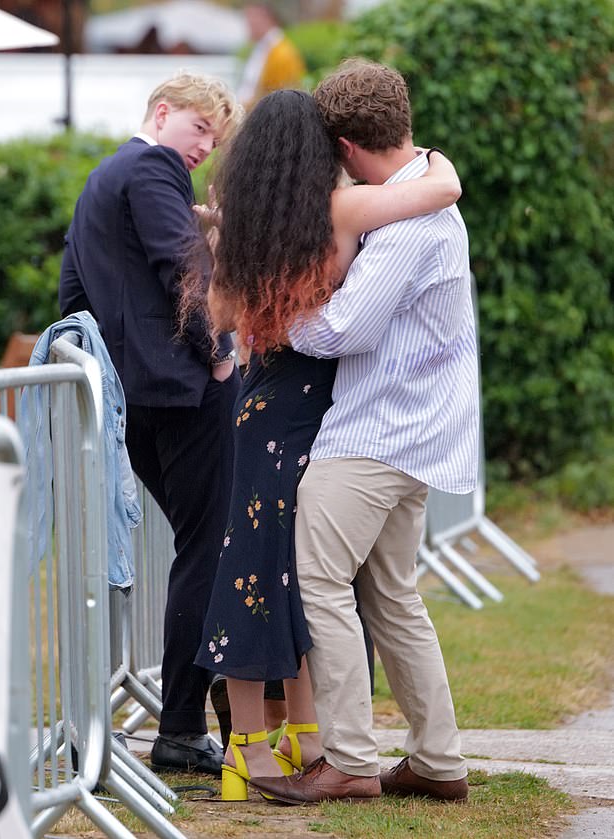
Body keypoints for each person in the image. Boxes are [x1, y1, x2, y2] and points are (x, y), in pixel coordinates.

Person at [187, 87, 462, 800]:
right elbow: (440, 190)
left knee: (273, 570)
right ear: (322, 150)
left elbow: (225, 312)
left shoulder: (253, 222)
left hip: (283, 406)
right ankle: (345, 749)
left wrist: (268, 321)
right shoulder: (340, 210)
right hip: (324, 411)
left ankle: (298, 745)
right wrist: (438, 165)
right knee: (314, 581)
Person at [58, 72, 243, 776]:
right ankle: (182, 723)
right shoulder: (153, 167)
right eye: (200, 128)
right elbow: (184, 269)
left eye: (214, 137)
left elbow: (72, 293)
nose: (205, 146)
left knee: (202, 547)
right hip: (186, 391)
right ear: (163, 113)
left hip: (131, 400)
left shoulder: (103, 178)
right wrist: (220, 351)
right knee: (211, 546)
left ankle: (197, 704)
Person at [237, 3, 305, 110]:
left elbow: (276, 101)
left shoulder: (282, 54)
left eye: (250, 18)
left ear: (265, 17)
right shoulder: (263, 47)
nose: (247, 25)